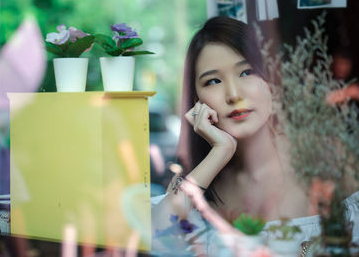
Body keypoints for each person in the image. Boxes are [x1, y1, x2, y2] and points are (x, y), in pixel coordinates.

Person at [151, 16, 359, 255]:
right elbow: (156, 237)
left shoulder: (324, 157)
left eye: (246, 72)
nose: (233, 94)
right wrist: (219, 153)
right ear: (198, 102)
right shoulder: (198, 178)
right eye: (214, 81)